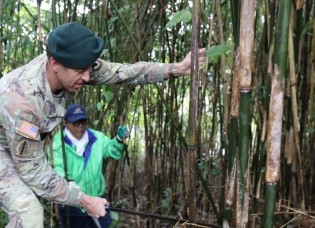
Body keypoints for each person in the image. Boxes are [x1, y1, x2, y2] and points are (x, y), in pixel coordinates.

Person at [0, 21, 206, 228]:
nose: (88, 77)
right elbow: (32, 170)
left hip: (19, 145)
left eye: (90, 69)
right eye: (81, 71)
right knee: (28, 212)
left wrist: (176, 69)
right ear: (55, 64)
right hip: (4, 150)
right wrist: (84, 200)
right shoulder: (22, 102)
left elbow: (123, 73)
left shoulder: (74, 64)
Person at [49, 103, 128, 228]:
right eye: (76, 123)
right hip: (73, 205)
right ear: (67, 123)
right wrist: (71, 187)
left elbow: (112, 151)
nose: (80, 126)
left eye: (83, 122)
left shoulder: (97, 137)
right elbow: (58, 169)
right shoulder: (58, 143)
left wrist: (118, 139)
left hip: (98, 199)